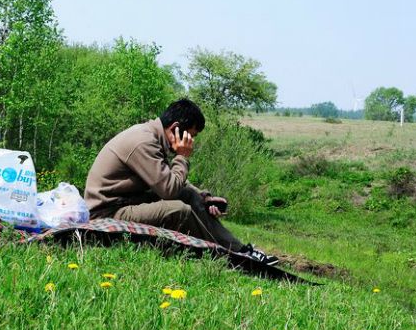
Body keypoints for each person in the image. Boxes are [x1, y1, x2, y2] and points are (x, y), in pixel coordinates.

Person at [84, 99, 274, 263]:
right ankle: (224, 256)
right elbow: (169, 190)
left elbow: (170, 180)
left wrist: (204, 197)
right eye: (191, 135)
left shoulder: (153, 136)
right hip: (108, 211)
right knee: (179, 210)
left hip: (127, 202)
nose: (191, 141)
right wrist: (182, 156)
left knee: (191, 195)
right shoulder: (143, 142)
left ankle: (239, 250)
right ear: (175, 128)